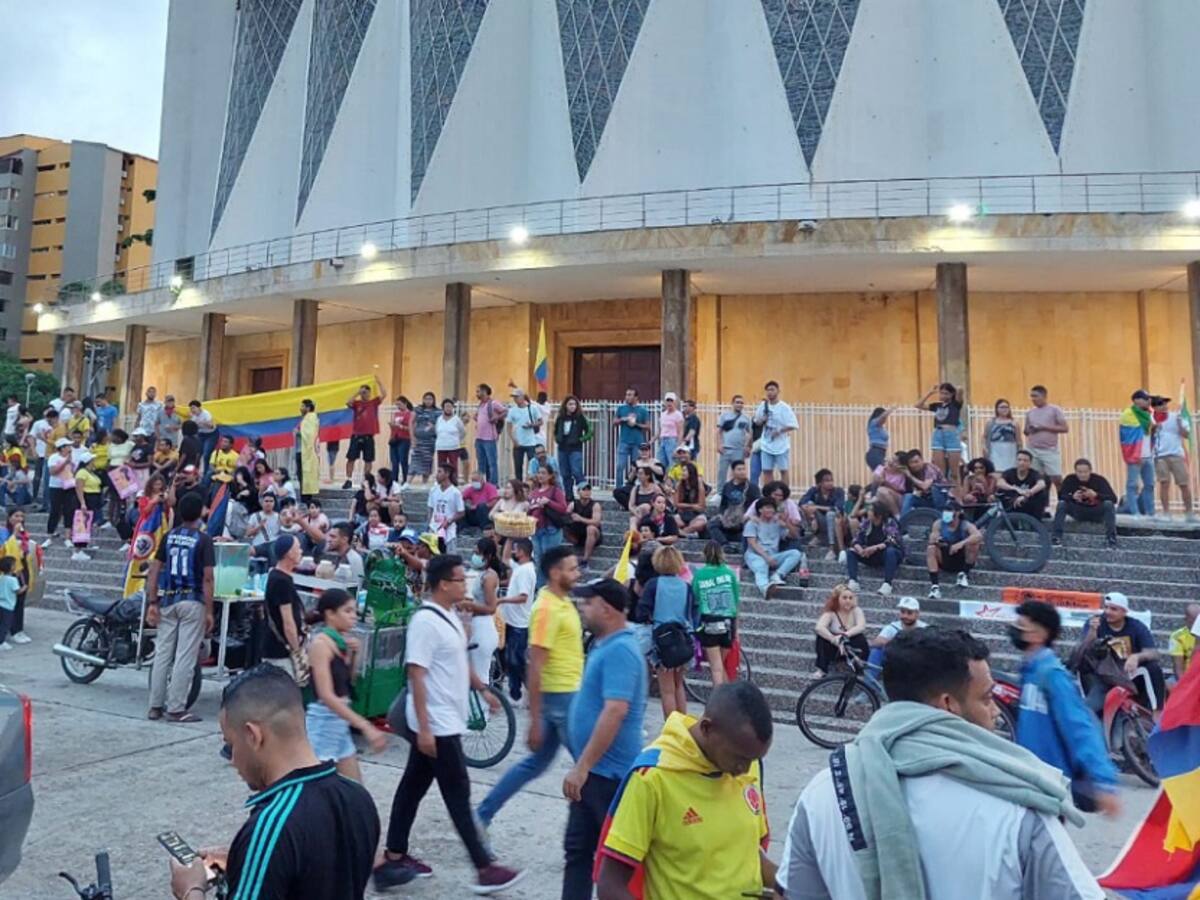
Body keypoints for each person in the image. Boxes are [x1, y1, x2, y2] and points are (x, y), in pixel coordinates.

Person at [776, 628, 1104, 900]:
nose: (995, 714)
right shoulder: (1017, 803)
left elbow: (797, 892)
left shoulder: (824, 791)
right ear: (948, 705)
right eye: (987, 698)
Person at [374, 554, 524, 893]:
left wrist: (484, 690)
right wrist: (424, 728)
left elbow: (458, 660)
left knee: (412, 787)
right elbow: (417, 674)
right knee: (458, 794)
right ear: (443, 583)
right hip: (437, 725)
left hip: (445, 722)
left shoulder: (450, 616)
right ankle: (485, 868)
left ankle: (394, 858)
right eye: (459, 579)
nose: (465, 584)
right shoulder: (426, 622)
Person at [168, 665, 380, 900]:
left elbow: (286, 845)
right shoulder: (358, 797)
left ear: (253, 736)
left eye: (230, 745)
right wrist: (245, 861)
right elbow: (319, 869)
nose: (233, 760)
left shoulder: (272, 825)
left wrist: (191, 890)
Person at [596, 681, 775, 900]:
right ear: (707, 728)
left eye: (753, 759)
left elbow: (748, 852)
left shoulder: (747, 765)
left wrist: (791, 885)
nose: (744, 769)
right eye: (739, 758)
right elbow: (610, 885)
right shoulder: (653, 778)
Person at [477, 545, 582, 832]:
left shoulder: (563, 601)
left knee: (535, 765)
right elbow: (534, 664)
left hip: (568, 695)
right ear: (555, 572)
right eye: (571, 568)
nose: (577, 573)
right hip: (560, 699)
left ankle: (482, 814)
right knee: (590, 770)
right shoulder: (547, 607)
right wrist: (535, 719)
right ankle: (594, 837)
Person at [562, 578, 646, 900]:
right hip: (595, 773)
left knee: (610, 865)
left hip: (606, 776)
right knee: (578, 852)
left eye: (588, 603)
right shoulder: (607, 645)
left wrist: (582, 766)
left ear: (607, 609)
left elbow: (615, 711)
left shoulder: (622, 650)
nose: (583, 608)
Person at [1010, 599, 1121, 816]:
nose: (1016, 630)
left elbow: (1079, 727)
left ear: (1039, 635)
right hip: (1029, 777)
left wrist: (1105, 783)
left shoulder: (1051, 675)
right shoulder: (1029, 671)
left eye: (1022, 626)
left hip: (1049, 784)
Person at [145, 493, 214, 723]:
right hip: (192, 601)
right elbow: (207, 579)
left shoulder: (169, 536)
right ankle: (176, 708)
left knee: (163, 654)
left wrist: (153, 601)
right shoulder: (204, 540)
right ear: (200, 513)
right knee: (185, 656)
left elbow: (154, 570)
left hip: (168, 601)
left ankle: (155, 706)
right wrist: (210, 610)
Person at [305, 588, 387, 780]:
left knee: (354, 790)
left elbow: (348, 682)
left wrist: (354, 655)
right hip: (324, 721)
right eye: (347, 611)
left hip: (338, 720)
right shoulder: (320, 644)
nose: (353, 617)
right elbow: (326, 695)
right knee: (319, 786)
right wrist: (364, 725)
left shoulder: (341, 642)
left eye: (354, 612)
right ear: (330, 614)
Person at [636, 545, 699, 717]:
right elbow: (694, 613)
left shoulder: (653, 585)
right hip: (683, 638)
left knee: (667, 690)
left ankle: (670, 729)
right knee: (679, 685)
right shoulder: (686, 586)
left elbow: (641, 612)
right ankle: (682, 725)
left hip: (662, 641)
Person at [1077, 591, 1164, 713]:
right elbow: (1082, 652)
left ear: (1124, 612)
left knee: (1152, 668)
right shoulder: (1095, 623)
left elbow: (1154, 653)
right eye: (1106, 608)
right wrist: (1092, 632)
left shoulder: (1136, 626)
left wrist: (1137, 657)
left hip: (1128, 673)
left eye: (1113, 609)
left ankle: (1157, 713)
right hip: (1103, 675)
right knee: (1091, 708)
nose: (1108, 612)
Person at [692, 540, 741, 686]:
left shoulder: (700, 574)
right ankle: (730, 700)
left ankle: (719, 703)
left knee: (716, 668)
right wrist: (736, 629)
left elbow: (695, 598)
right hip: (728, 622)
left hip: (709, 622)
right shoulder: (730, 573)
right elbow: (736, 602)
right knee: (721, 664)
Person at [261, 535, 306, 676]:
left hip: (275, 648)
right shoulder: (282, 581)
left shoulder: (279, 576)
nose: (301, 551)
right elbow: (288, 621)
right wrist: (297, 650)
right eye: (298, 548)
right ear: (289, 553)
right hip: (280, 653)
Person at [499, 537, 537, 704]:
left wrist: (502, 600)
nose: (513, 552)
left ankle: (527, 693)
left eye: (516, 549)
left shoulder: (527, 571)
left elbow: (523, 597)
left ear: (522, 552)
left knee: (516, 661)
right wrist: (509, 536)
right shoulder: (521, 568)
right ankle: (516, 693)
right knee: (511, 659)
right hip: (511, 620)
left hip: (520, 623)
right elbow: (505, 559)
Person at [461, 537, 503, 684]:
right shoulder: (481, 574)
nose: (475, 556)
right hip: (476, 625)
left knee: (480, 677)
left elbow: (491, 607)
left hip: (484, 628)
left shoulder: (490, 576)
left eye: (478, 553)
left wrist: (469, 605)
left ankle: (484, 706)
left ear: (488, 556)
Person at [1052, 457, 1119, 548]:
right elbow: (1061, 497)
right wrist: (1072, 497)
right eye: (1079, 472)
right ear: (1075, 471)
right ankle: (1056, 537)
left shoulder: (1099, 480)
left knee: (1108, 505)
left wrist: (1096, 495)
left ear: (1090, 471)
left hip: (1095, 511)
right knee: (1062, 504)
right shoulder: (1070, 479)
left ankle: (1111, 539)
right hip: (1078, 510)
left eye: (1085, 472)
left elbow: (1113, 499)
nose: (1082, 474)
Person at [744, 497, 804, 598]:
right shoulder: (753, 523)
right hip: (755, 555)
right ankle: (765, 588)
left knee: (796, 553)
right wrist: (766, 557)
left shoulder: (777, 524)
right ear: (760, 510)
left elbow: (794, 536)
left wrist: (787, 523)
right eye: (767, 508)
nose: (770, 510)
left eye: (772, 508)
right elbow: (752, 543)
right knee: (761, 567)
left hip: (773, 555)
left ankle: (778, 575)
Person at [845, 500, 903, 596]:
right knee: (851, 552)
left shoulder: (889, 522)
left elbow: (893, 540)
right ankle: (853, 581)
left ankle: (887, 584)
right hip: (870, 554)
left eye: (870, 510)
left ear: (878, 514)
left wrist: (875, 548)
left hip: (885, 555)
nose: (868, 512)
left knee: (891, 551)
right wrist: (859, 548)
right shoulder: (866, 523)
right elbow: (856, 539)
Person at [926, 501, 982, 599]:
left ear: (957, 512)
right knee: (931, 548)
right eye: (945, 510)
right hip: (945, 556)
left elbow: (978, 535)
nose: (946, 513)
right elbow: (933, 537)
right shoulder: (938, 524)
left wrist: (960, 544)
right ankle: (935, 587)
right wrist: (935, 539)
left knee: (974, 544)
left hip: (961, 558)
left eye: (949, 510)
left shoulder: (965, 525)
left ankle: (964, 573)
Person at [1152, 394, 1194, 518]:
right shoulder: (1152, 419)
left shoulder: (1176, 417)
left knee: (1183, 484)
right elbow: (1148, 435)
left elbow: (1186, 435)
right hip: (1160, 456)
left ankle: (1189, 512)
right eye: (1160, 404)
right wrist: (1154, 428)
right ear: (1154, 407)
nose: (1164, 406)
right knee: (1164, 484)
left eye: (1164, 403)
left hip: (1176, 454)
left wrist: (1180, 423)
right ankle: (1166, 512)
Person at [1024, 384, 1069, 497]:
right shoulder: (1030, 412)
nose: (1033, 399)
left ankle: (1063, 501)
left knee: (1056, 478)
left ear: (1044, 396)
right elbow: (1026, 430)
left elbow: (1065, 428)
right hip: (1033, 449)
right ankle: (1043, 506)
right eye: (1031, 396)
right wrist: (1029, 430)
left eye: (1035, 396)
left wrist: (1043, 427)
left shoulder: (1054, 410)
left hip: (1049, 450)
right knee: (1038, 480)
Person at [814, 583, 868, 673]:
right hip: (835, 645)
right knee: (821, 638)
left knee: (860, 638)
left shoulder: (856, 610)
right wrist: (834, 640)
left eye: (851, 598)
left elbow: (861, 626)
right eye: (844, 598)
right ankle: (822, 669)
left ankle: (859, 669)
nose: (848, 601)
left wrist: (844, 636)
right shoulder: (831, 612)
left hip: (849, 643)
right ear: (837, 599)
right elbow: (819, 627)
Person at [1119, 389, 1157, 516]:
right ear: (1136, 400)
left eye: (1149, 399)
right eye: (1145, 399)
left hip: (1148, 454)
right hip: (1135, 455)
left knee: (1150, 485)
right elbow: (1129, 435)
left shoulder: (1149, 413)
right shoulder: (1128, 414)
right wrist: (1136, 454)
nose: (1148, 401)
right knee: (1132, 485)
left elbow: (1153, 430)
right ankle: (1135, 512)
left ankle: (1150, 512)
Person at [706, 459, 760, 548]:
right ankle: (725, 545)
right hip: (729, 517)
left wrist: (748, 516)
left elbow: (757, 505)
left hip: (744, 518)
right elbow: (723, 505)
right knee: (712, 524)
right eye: (739, 469)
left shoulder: (752, 487)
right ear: (733, 471)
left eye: (744, 469)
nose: (742, 472)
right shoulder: (727, 486)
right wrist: (722, 515)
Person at [753, 380, 798, 486]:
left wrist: (780, 431)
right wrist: (762, 420)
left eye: (772, 389)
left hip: (781, 445)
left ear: (778, 391)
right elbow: (757, 422)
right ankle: (769, 493)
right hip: (766, 444)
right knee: (767, 470)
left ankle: (785, 493)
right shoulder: (763, 406)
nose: (770, 392)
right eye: (768, 390)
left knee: (783, 470)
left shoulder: (784, 407)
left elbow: (793, 425)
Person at [343, 381, 384, 489]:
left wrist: (379, 382)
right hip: (356, 435)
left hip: (369, 436)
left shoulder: (373, 403)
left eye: (366, 392)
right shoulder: (357, 403)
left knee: (368, 459)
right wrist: (357, 392)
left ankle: (365, 481)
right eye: (363, 392)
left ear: (369, 393)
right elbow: (348, 402)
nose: (364, 394)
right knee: (351, 458)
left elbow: (384, 394)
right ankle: (348, 479)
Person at [867, 595, 927, 669]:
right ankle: (868, 680)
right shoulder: (893, 627)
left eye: (909, 613)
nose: (905, 616)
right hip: (895, 661)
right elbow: (877, 642)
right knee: (876, 651)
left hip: (916, 663)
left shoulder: (925, 629)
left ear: (917, 614)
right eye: (902, 612)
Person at [800, 469, 846, 560]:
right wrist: (813, 516)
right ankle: (817, 534)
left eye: (831, 480)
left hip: (836, 522)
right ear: (820, 483)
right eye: (827, 480)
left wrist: (817, 507)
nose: (830, 483)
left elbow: (837, 508)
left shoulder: (838, 491)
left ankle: (831, 548)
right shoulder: (814, 491)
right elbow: (802, 503)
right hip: (819, 521)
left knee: (830, 514)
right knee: (807, 506)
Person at [528, 466, 568, 568]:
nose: (540, 475)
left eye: (543, 473)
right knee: (538, 559)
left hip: (550, 529)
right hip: (536, 530)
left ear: (550, 476)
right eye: (539, 473)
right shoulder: (534, 492)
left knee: (549, 561)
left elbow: (563, 508)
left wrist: (549, 502)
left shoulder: (555, 491)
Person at [554, 394, 591, 500]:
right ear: (565, 405)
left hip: (575, 448)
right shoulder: (560, 418)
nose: (572, 406)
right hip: (562, 448)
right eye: (570, 404)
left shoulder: (580, 418)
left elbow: (589, 431)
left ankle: (584, 493)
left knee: (576, 471)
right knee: (565, 473)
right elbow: (556, 430)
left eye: (574, 404)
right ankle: (569, 496)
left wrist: (581, 439)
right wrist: (557, 438)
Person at [996, 448, 1049, 520]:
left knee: (1042, 493)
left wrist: (1028, 494)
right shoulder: (1009, 472)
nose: (1021, 463)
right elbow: (999, 483)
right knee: (1001, 491)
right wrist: (1015, 488)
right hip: (1013, 501)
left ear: (1030, 463)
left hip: (1029, 502)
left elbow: (1042, 484)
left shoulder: (1034, 473)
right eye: (1019, 460)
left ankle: (1035, 522)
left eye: (1025, 460)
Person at [43, 437, 76, 547]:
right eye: (67, 446)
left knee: (69, 510)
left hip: (69, 486)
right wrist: (65, 462)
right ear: (62, 448)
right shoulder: (53, 457)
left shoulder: (72, 457)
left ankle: (67, 537)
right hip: (56, 486)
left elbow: (73, 471)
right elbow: (53, 472)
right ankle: (49, 535)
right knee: (55, 511)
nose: (69, 448)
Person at [613, 386, 651, 483]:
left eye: (630, 395)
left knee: (636, 467)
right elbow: (614, 422)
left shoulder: (642, 410)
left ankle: (632, 486)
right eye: (626, 395)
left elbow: (648, 427)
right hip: (624, 441)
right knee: (620, 466)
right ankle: (619, 488)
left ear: (636, 397)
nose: (627, 397)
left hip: (637, 442)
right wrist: (623, 419)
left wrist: (636, 424)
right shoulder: (621, 408)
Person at [715, 395, 753, 487]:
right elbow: (719, 431)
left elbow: (751, 433)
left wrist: (748, 447)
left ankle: (736, 490)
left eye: (741, 403)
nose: (739, 405)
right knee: (722, 472)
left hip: (739, 450)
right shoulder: (724, 416)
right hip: (726, 449)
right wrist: (719, 444)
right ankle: (720, 493)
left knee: (738, 472)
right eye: (737, 402)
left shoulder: (746, 418)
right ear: (732, 403)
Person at [473, 383, 506, 487]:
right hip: (479, 438)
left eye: (478, 391)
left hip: (489, 438)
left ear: (484, 392)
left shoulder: (493, 403)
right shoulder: (480, 405)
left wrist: (496, 418)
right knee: (481, 463)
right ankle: (482, 484)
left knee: (492, 463)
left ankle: (493, 484)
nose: (477, 394)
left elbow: (505, 411)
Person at [564, 481, 602, 568]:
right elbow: (564, 517)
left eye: (588, 490)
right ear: (578, 492)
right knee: (561, 526)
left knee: (591, 528)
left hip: (594, 535)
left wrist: (580, 519)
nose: (586, 492)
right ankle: (576, 543)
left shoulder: (595, 505)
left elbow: (596, 522)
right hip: (579, 534)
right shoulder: (573, 504)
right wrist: (570, 518)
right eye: (584, 490)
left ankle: (585, 559)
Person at [507, 387, 543, 480]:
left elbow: (540, 421)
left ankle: (532, 484)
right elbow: (509, 426)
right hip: (518, 442)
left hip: (530, 442)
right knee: (518, 466)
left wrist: (532, 425)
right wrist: (513, 439)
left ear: (523, 397)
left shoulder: (532, 408)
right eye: (514, 397)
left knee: (533, 466)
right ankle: (519, 486)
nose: (515, 399)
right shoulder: (512, 410)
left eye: (517, 397)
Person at [428, 463, 465, 551]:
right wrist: (430, 523)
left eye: (440, 472)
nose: (437, 475)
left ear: (447, 474)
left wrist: (449, 521)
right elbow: (430, 508)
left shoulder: (455, 492)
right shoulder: (433, 490)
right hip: (434, 527)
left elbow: (461, 512)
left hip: (449, 529)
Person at [899, 448, 944, 516]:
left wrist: (910, 476)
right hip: (925, 500)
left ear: (922, 460)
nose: (914, 465)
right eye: (911, 463)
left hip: (941, 499)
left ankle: (939, 519)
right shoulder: (911, 472)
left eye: (916, 462)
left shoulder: (929, 468)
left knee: (935, 489)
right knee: (908, 496)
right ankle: (902, 523)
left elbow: (925, 486)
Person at [983, 398, 1021, 474]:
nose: (1004, 409)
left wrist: (1020, 451)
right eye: (1002, 407)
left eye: (1006, 407)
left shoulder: (1014, 423)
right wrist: (984, 447)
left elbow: (1018, 440)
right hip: (995, 450)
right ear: (997, 409)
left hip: (1010, 451)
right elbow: (985, 436)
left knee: (1010, 471)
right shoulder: (990, 422)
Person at [434, 397, 467, 483]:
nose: (448, 408)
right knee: (441, 465)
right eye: (446, 406)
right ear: (443, 408)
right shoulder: (439, 419)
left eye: (450, 406)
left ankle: (453, 481)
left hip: (453, 446)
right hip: (441, 446)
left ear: (453, 408)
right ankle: (441, 481)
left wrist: (456, 440)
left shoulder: (456, 420)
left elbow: (463, 432)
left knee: (453, 465)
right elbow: (437, 431)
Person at [672, 460, 708, 538]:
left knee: (700, 523)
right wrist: (692, 506)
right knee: (675, 521)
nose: (682, 473)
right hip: (682, 513)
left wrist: (685, 506)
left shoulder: (699, 486)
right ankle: (689, 533)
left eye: (684, 471)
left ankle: (683, 532)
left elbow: (701, 507)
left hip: (696, 514)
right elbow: (676, 504)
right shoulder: (679, 484)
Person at [409, 391, 439, 484]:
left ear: (434, 400)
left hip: (430, 441)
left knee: (427, 461)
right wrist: (412, 438)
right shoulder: (418, 410)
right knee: (415, 461)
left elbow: (440, 425)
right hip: (418, 440)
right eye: (426, 399)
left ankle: (424, 483)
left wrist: (433, 428)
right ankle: (408, 482)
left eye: (430, 399)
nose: (428, 401)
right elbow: (411, 422)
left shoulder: (438, 412)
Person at [1168, 603, 1200, 680]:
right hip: (1186, 676)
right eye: (1194, 620)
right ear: (1186, 619)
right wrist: (1185, 685)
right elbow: (1178, 668)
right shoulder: (1177, 636)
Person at [388, 395, 414, 484]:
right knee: (394, 461)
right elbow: (393, 426)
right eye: (397, 405)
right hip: (394, 438)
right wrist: (392, 426)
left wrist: (400, 426)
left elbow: (411, 428)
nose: (398, 407)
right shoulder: (396, 414)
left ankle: (405, 479)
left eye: (399, 404)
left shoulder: (410, 414)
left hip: (404, 439)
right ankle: (394, 480)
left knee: (403, 460)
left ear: (405, 403)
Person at [656, 392, 684, 469]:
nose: (669, 403)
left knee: (673, 463)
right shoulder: (663, 414)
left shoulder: (678, 415)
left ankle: (673, 480)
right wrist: (654, 439)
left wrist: (678, 445)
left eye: (671, 401)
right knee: (660, 462)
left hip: (672, 440)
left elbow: (680, 431)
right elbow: (660, 429)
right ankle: (662, 480)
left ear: (674, 402)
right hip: (663, 440)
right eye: (667, 401)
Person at [865, 405, 897, 471]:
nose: (885, 420)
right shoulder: (873, 423)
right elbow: (882, 417)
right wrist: (891, 410)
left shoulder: (879, 428)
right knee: (881, 475)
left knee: (882, 474)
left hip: (880, 453)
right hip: (875, 453)